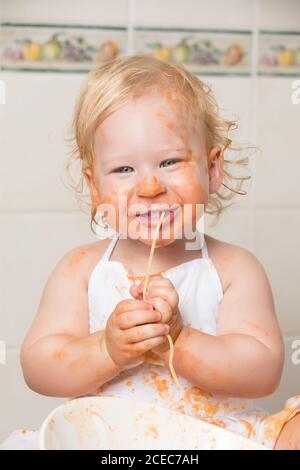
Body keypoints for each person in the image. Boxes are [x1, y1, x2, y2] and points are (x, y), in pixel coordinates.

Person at [3, 55, 299, 450]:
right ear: (95, 187)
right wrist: (107, 349)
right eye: (123, 170)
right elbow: (39, 367)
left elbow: (262, 374)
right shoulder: (82, 269)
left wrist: (180, 339)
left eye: (170, 162)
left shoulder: (233, 270)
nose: (148, 187)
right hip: (106, 439)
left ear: (212, 170)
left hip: (216, 437)